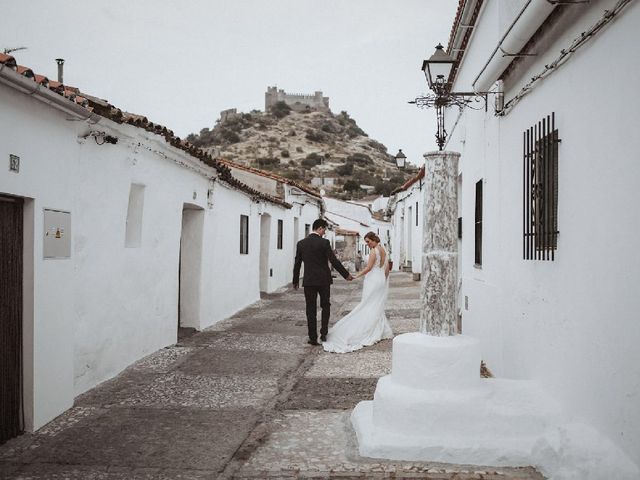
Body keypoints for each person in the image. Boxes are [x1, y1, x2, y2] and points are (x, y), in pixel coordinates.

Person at [322, 231, 393, 353]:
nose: (367, 244)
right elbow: (386, 268)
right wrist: (384, 279)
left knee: (367, 304)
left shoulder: (374, 251)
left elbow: (368, 268)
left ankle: (367, 329)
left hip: (372, 280)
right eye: (366, 242)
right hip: (380, 279)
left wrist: (356, 276)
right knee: (375, 304)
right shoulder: (383, 250)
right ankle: (378, 328)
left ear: (373, 239)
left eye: (368, 241)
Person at [293, 219, 353, 345]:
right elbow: (334, 261)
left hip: (309, 281)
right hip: (323, 280)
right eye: (324, 229)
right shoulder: (324, 243)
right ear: (320, 228)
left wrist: (295, 280)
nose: (325, 232)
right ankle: (324, 333)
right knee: (325, 305)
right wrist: (345, 275)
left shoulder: (301, 244)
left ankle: (313, 337)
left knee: (310, 309)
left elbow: (297, 263)